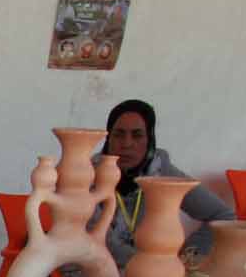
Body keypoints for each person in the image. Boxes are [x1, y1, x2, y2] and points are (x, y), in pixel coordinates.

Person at [96, 98, 233, 264]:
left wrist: (188, 257)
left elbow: (223, 217)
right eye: (119, 134)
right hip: (101, 271)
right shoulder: (90, 176)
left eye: (137, 135)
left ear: (149, 141)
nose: (127, 144)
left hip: (159, 274)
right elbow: (100, 242)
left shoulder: (160, 170)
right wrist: (155, 266)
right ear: (108, 139)